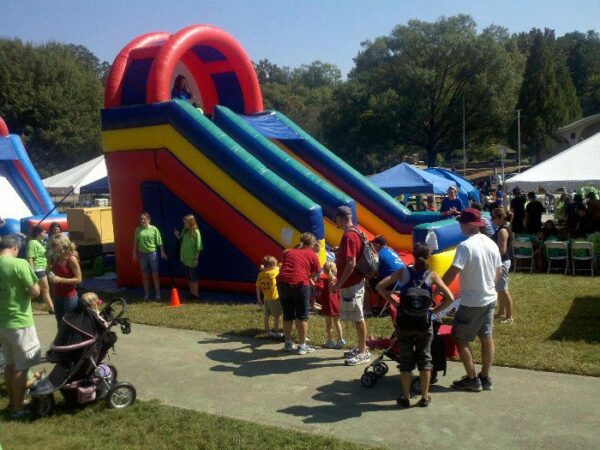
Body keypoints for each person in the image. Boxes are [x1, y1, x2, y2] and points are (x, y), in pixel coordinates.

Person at [376, 243, 454, 408]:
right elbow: (450, 298)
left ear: (413, 254)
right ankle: (425, 397)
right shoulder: (431, 275)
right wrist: (432, 311)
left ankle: (405, 397)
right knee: (425, 359)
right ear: (428, 256)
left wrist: (394, 303)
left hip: (405, 322)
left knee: (405, 361)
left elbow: (379, 286)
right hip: (424, 324)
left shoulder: (403, 271)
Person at [442, 208, 502, 392]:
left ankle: (472, 378)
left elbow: (453, 271)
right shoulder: (491, 243)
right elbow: (499, 271)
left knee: (459, 337)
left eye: (461, 222)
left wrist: (437, 287)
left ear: (467, 225)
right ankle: (485, 376)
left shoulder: (465, 246)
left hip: (472, 301)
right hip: (490, 297)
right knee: (486, 336)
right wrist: (488, 285)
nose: (459, 225)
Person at [0, 235, 42, 419]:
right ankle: (18, 407)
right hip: (19, 321)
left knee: (9, 364)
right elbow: (35, 291)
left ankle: (11, 401)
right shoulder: (19, 264)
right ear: (16, 247)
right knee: (21, 367)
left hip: (2, 322)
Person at [331, 206, 370, 366]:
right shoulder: (357, 231)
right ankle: (361, 347)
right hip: (356, 281)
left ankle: (363, 352)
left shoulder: (349, 236)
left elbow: (351, 262)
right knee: (355, 317)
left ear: (340, 218)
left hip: (351, 283)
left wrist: (339, 283)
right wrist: (340, 251)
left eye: (336, 220)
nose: (336, 223)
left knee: (358, 317)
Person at [277, 232, 321, 354]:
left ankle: (288, 343)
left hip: (282, 283)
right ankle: (302, 346)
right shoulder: (312, 254)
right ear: (312, 243)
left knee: (288, 315)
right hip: (300, 283)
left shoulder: (289, 252)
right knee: (302, 316)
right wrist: (311, 280)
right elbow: (315, 274)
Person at [48, 234, 82, 328]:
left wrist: (60, 280)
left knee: (70, 325)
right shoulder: (57, 258)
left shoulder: (71, 259)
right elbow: (55, 272)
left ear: (62, 245)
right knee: (60, 325)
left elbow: (78, 279)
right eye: (52, 245)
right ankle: (62, 343)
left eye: (54, 245)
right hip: (57, 296)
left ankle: (71, 342)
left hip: (69, 297)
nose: (52, 247)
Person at [133, 212, 167, 302]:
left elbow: (160, 242)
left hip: (153, 254)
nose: (142, 221)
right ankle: (147, 294)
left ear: (148, 220)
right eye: (141, 219)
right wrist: (134, 253)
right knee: (145, 275)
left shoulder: (154, 229)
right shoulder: (138, 230)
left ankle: (158, 295)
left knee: (155, 275)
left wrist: (162, 252)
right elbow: (136, 243)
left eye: (144, 219)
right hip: (142, 255)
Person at [491, 208, 514, 324]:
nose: (492, 219)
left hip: (502, 262)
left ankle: (509, 316)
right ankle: (501, 312)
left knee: (503, 290)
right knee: (499, 288)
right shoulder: (501, 228)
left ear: (501, 218)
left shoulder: (502, 231)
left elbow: (502, 250)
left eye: (493, 217)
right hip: (501, 262)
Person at [315, 261, 345, 349]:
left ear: (324, 270)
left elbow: (321, 288)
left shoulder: (323, 279)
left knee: (329, 324)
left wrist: (313, 283)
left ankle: (330, 340)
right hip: (337, 304)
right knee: (337, 322)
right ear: (335, 269)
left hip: (328, 304)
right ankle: (340, 340)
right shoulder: (337, 279)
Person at [26, 226, 54, 314]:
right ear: (39, 233)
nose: (45, 234)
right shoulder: (33, 243)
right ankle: (52, 309)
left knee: (36, 290)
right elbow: (30, 258)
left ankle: (23, 305)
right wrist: (32, 272)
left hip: (42, 268)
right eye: (44, 232)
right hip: (38, 269)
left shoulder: (39, 242)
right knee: (45, 289)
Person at [174, 215, 203, 300]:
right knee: (188, 277)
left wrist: (196, 259)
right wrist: (177, 235)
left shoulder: (196, 232)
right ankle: (191, 293)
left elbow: (198, 247)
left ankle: (196, 294)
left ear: (191, 222)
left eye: (185, 222)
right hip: (184, 257)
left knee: (193, 277)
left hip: (191, 258)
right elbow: (181, 239)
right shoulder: (185, 230)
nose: (184, 224)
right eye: (184, 222)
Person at [256, 255, 283, 338]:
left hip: (266, 298)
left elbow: (257, 287)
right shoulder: (273, 273)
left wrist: (259, 299)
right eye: (273, 265)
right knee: (277, 316)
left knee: (266, 315)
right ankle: (276, 331)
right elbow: (279, 266)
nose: (275, 266)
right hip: (274, 298)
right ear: (269, 266)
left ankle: (267, 330)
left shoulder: (260, 275)